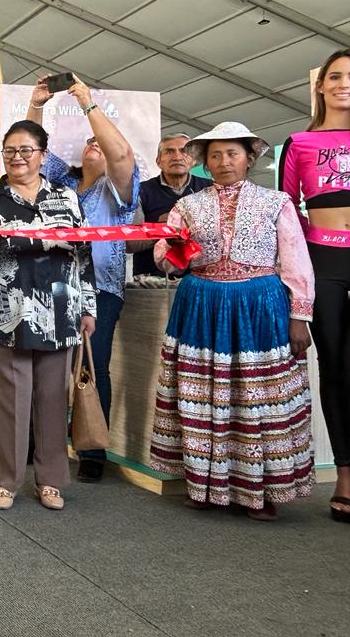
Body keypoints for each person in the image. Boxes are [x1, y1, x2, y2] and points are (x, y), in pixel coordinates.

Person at [150, 122, 314, 521]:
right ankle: (203, 485)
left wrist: (300, 315)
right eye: (216, 155)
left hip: (259, 307)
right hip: (201, 304)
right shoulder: (187, 206)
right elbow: (165, 259)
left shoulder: (276, 202)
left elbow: (295, 258)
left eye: (232, 153)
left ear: (249, 158)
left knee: (257, 397)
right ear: (205, 163)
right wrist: (175, 249)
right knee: (203, 396)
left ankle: (260, 489)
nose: (224, 162)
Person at [0, 120, 96, 511]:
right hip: (8, 318)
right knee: (12, 404)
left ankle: (50, 481)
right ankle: (8, 481)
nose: (17, 157)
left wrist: (88, 307)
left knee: (53, 401)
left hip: (61, 313)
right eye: (10, 150)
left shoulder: (66, 199)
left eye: (26, 150)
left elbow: (83, 255)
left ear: (42, 155)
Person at [27, 75, 138, 482]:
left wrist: (88, 103)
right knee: (47, 364)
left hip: (103, 289)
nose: (96, 144)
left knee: (93, 364)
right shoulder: (61, 182)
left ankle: (92, 450)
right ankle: (40, 442)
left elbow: (121, 152)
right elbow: (31, 151)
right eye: (90, 141)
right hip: (53, 284)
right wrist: (36, 104)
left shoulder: (119, 193)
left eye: (102, 143)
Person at [279, 49, 350, 523]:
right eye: (336, 76)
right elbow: (285, 211)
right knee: (336, 368)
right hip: (323, 261)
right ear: (320, 86)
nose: (344, 83)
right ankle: (345, 475)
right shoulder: (299, 142)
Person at [128, 134, 211, 278]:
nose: (177, 157)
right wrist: (163, 230)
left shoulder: (209, 189)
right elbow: (130, 243)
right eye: (169, 151)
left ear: (193, 160)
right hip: (151, 280)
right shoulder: (139, 191)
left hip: (202, 277)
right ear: (158, 161)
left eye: (184, 151)